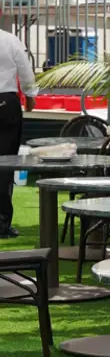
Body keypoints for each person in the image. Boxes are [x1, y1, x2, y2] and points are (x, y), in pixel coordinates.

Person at [0, 31, 36, 238]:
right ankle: (2, 223)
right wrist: (30, 96)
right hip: (6, 103)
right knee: (5, 164)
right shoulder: (9, 39)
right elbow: (25, 70)